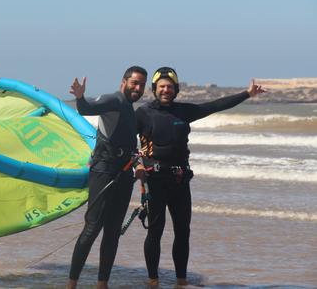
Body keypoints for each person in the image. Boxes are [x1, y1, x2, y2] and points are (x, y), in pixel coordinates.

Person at [135, 67, 265, 287]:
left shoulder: (184, 111)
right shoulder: (143, 113)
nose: (166, 90)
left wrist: (247, 94)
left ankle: (181, 280)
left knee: (183, 232)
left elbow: (215, 106)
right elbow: (126, 139)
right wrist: (136, 163)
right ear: (154, 89)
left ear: (176, 89)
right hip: (155, 180)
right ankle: (153, 280)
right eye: (162, 87)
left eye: (169, 87)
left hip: (180, 180)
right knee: (155, 232)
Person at [67, 66, 148, 289]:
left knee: (112, 233)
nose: (138, 88)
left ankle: (102, 284)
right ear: (124, 81)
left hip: (123, 175)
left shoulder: (130, 109)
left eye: (142, 84)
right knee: (92, 228)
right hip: (103, 172)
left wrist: (138, 163)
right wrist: (81, 96)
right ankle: (71, 284)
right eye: (134, 83)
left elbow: (129, 144)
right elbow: (86, 108)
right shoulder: (114, 100)